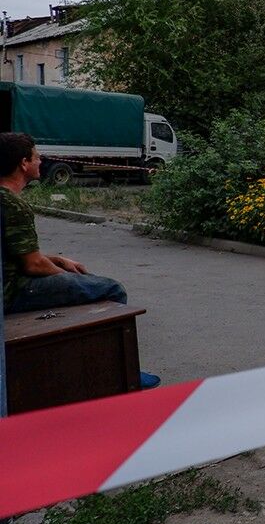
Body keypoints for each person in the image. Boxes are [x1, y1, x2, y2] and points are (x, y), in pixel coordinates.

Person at [0, 132, 160, 388]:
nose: (40, 161)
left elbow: (16, 253)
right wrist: (65, 276)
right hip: (13, 292)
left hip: (9, 281)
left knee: (82, 283)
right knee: (109, 289)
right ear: (23, 163)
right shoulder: (13, 205)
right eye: (36, 157)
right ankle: (120, 370)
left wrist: (58, 259)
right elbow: (33, 265)